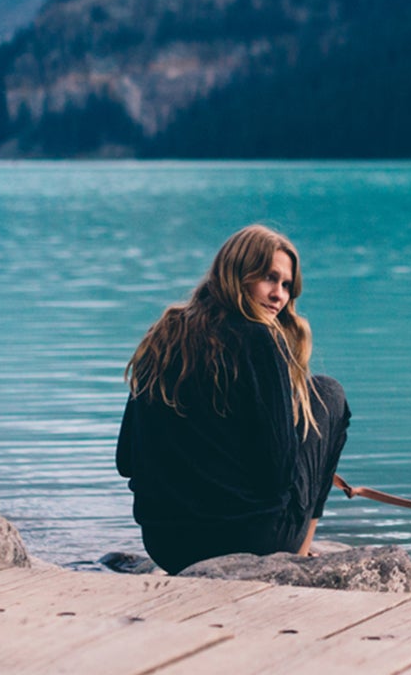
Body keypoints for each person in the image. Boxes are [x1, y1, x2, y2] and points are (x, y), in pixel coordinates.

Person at [115, 225, 351, 573]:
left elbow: (126, 460)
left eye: (286, 286)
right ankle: (297, 557)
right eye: (269, 278)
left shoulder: (163, 335)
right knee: (327, 394)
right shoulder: (259, 340)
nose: (279, 296)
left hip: (167, 545)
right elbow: (277, 475)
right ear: (238, 273)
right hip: (251, 542)